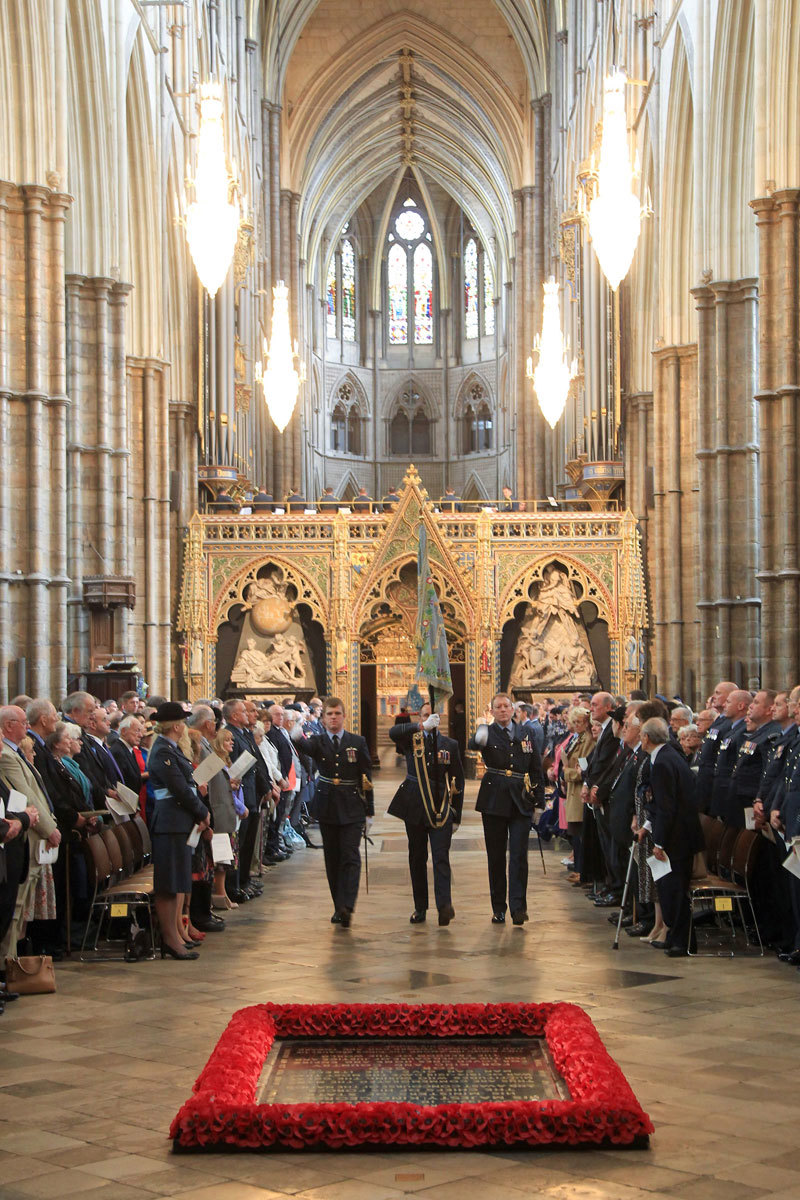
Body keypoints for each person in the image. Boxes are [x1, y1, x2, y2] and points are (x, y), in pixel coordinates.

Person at [292, 697, 372, 926]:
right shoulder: (317, 742)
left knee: (350, 855)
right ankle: (338, 905)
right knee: (333, 858)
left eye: (337, 713)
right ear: (323, 718)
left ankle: (348, 904)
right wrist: (297, 730)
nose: (333, 718)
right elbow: (301, 745)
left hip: (352, 805)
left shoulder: (357, 741)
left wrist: (370, 811)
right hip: (327, 806)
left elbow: (366, 778)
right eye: (329, 714)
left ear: (344, 716)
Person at [468, 692, 544, 925]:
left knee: (519, 855)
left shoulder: (526, 733)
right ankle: (498, 907)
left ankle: (518, 907)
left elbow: (536, 768)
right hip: (494, 798)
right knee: (496, 855)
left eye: (506, 706)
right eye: (497, 707)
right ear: (491, 711)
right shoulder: (487, 732)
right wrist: (478, 735)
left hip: (520, 799)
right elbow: (472, 746)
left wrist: (539, 803)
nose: (502, 710)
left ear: (513, 710)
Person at [388, 701, 464, 925]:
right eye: (424, 715)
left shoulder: (449, 744)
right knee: (417, 857)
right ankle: (420, 907)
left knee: (441, 857)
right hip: (415, 805)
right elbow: (393, 732)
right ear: (420, 717)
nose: (429, 718)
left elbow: (457, 779)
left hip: (440, 807)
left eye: (432, 715)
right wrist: (420, 727)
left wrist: (456, 814)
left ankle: (444, 905)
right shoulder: (412, 740)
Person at [148, 702, 210, 960]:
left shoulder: (170, 749)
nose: (184, 727)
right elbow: (180, 789)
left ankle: (175, 934)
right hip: (170, 823)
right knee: (169, 885)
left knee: (177, 882)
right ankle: (170, 939)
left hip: (179, 822)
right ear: (175, 726)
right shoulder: (162, 751)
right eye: (182, 723)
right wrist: (202, 812)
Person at [640, 717, 705, 957]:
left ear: (646, 737)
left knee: (675, 891)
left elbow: (667, 806)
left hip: (677, 838)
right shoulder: (665, 756)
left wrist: (659, 842)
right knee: (668, 889)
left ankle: (684, 941)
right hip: (675, 833)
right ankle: (675, 936)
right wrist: (649, 825)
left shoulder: (664, 762)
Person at [561, 706, 594, 882]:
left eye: (579, 722)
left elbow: (583, 770)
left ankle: (583, 872)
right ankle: (580, 869)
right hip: (573, 791)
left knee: (580, 835)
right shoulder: (578, 738)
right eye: (574, 722)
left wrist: (567, 773)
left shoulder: (587, 740)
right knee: (575, 834)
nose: (576, 725)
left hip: (579, 789)